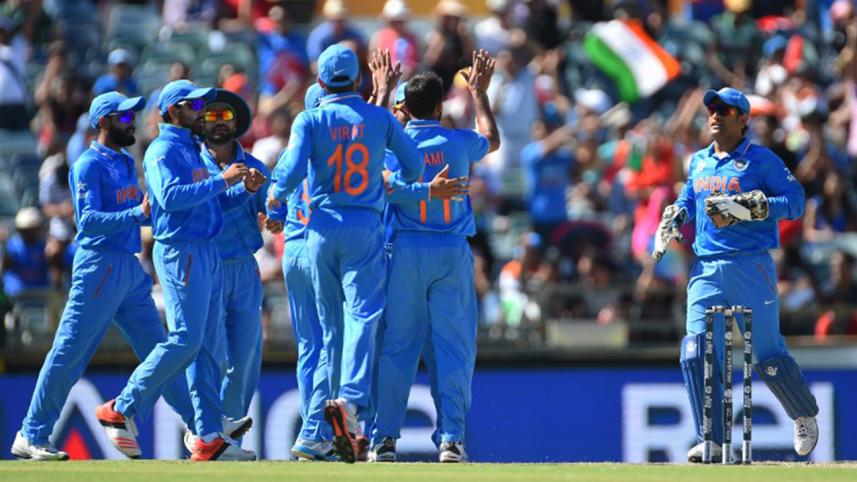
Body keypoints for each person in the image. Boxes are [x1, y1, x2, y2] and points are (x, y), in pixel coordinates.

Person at [10, 92, 198, 460]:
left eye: (132, 117)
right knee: (69, 352)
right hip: (98, 265)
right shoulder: (87, 165)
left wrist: (156, 211)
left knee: (160, 351)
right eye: (123, 118)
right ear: (102, 122)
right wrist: (135, 213)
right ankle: (31, 433)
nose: (131, 123)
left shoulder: (126, 162)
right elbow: (89, 223)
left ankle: (200, 429)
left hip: (127, 267)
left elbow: (136, 211)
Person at [266, 44, 423, 463]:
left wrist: (275, 200)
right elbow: (414, 169)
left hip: (317, 229)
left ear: (319, 81)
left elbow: (292, 167)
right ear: (358, 80)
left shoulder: (309, 118)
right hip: (362, 225)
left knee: (328, 330)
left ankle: (331, 417)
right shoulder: (380, 117)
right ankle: (349, 403)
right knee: (363, 314)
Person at [652, 87, 819, 462]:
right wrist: (675, 215)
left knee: (766, 355)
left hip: (751, 265)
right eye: (711, 108)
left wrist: (751, 208)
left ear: (743, 119)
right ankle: (708, 438)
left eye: (725, 110)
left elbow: (794, 203)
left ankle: (802, 413)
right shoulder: (698, 161)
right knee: (695, 351)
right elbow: (688, 201)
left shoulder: (762, 160)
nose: (714, 115)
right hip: (706, 267)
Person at [94, 80, 255, 462]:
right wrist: (222, 180)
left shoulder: (191, 148)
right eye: (193, 104)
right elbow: (169, 200)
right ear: (172, 112)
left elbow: (208, 205)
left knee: (207, 349)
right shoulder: (163, 149)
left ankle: (208, 435)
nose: (202, 109)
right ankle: (122, 407)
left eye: (201, 102)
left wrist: (242, 190)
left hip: (205, 249)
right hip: (181, 250)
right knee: (186, 339)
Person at [370, 52, 500, 464]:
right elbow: (491, 139)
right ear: (441, 107)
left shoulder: (395, 143)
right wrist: (480, 94)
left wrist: (382, 91)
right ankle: (452, 440)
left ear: (405, 108)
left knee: (398, 347)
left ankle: (385, 440)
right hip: (449, 252)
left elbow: (374, 162)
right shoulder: (459, 140)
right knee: (453, 348)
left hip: (404, 250)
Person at [265, 83, 339, 462]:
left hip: (292, 250)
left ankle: (317, 432)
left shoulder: (291, 153)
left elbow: (272, 208)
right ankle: (314, 430)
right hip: (318, 249)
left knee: (309, 348)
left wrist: (277, 220)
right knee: (332, 342)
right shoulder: (334, 152)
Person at [198, 89, 268, 443]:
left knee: (244, 360)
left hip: (245, 268)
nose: (219, 123)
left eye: (224, 117)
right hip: (208, 267)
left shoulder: (256, 165)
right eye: (211, 116)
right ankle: (212, 435)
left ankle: (231, 440)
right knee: (213, 355)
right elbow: (210, 206)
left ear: (235, 122)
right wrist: (238, 188)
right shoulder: (194, 169)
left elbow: (273, 208)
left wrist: (274, 219)